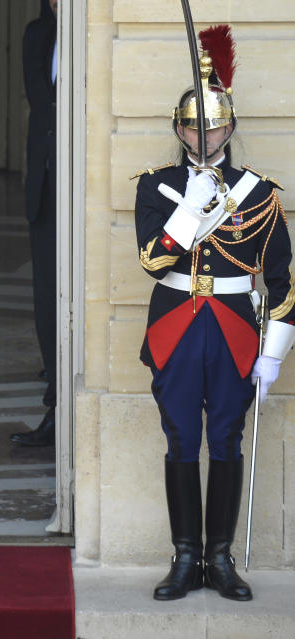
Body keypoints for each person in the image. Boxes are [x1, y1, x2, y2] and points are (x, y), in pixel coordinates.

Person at [134, 26, 295, 602]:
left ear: (231, 126)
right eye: (193, 126)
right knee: (180, 436)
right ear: (178, 129)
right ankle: (184, 557)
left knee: (225, 437)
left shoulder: (259, 193)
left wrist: (272, 352)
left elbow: (281, 281)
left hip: (232, 328)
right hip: (176, 323)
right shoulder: (157, 186)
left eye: (215, 125)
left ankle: (220, 558)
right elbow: (153, 260)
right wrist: (188, 212)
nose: (204, 135)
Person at [11, 0, 58, 447]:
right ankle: (56, 408)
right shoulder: (36, 36)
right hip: (45, 185)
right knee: (46, 298)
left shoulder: (92, 42)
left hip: (83, 191)